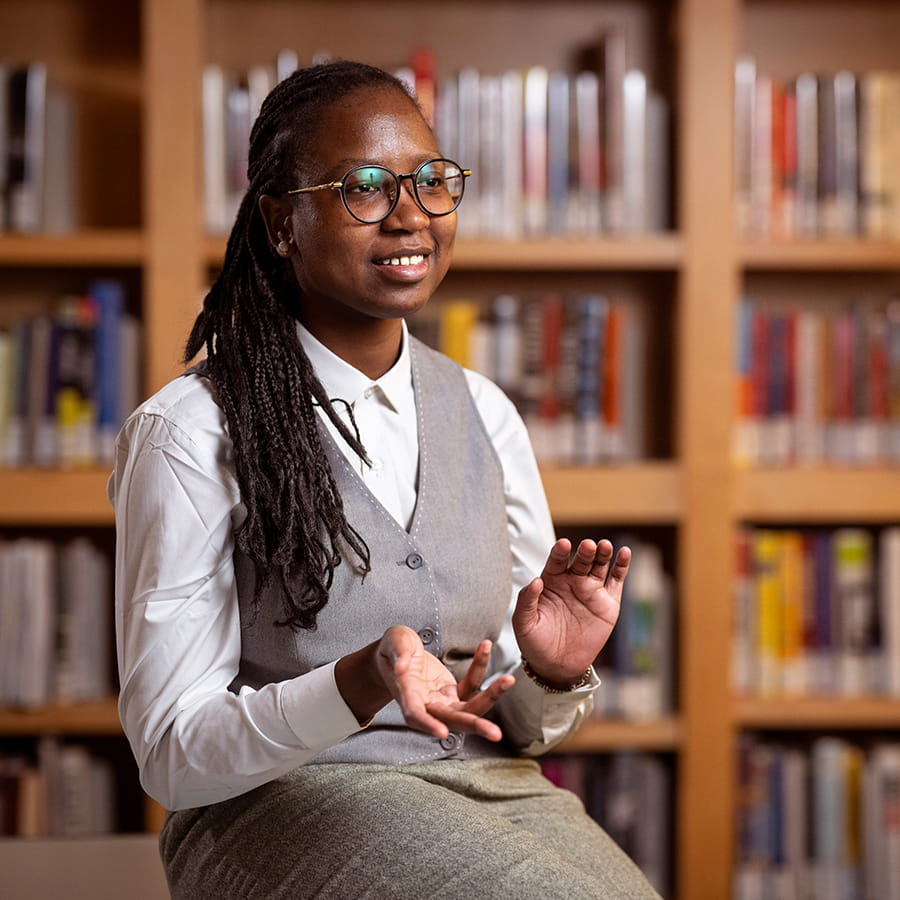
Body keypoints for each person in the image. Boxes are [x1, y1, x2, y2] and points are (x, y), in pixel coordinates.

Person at [109, 59, 661, 900]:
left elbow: (515, 729)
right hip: (280, 809)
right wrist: (355, 681)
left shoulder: (485, 411)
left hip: (491, 792)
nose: (410, 216)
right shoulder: (191, 432)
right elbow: (172, 754)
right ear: (281, 223)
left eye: (431, 181)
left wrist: (550, 672)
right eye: (364, 188)